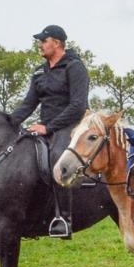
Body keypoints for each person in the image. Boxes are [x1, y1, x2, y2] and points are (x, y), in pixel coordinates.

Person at [11, 24, 89, 238]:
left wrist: (48, 127)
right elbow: (28, 105)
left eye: (44, 41)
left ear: (57, 43)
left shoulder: (74, 67)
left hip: (70, 127)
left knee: (58, 159)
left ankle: (64, 219)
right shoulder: (39, 72)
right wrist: (7, 123)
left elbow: (78, 106)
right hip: (45, 127)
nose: (40, 45)